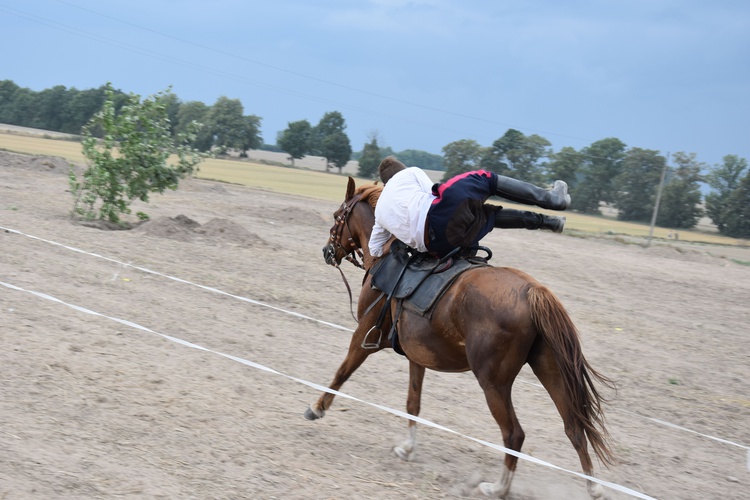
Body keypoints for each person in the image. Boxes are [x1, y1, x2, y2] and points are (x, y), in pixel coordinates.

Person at [369, 156, 570, 259]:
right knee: (485, 178)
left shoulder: (379, 212)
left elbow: (375, 250)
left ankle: (550, 223)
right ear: (400, 171)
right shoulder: (409, 173)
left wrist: (400, 235)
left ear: (385, 183)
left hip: (438, 245)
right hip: (439, 216)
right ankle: (554, 200)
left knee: (486, 215)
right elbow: (432, 190)